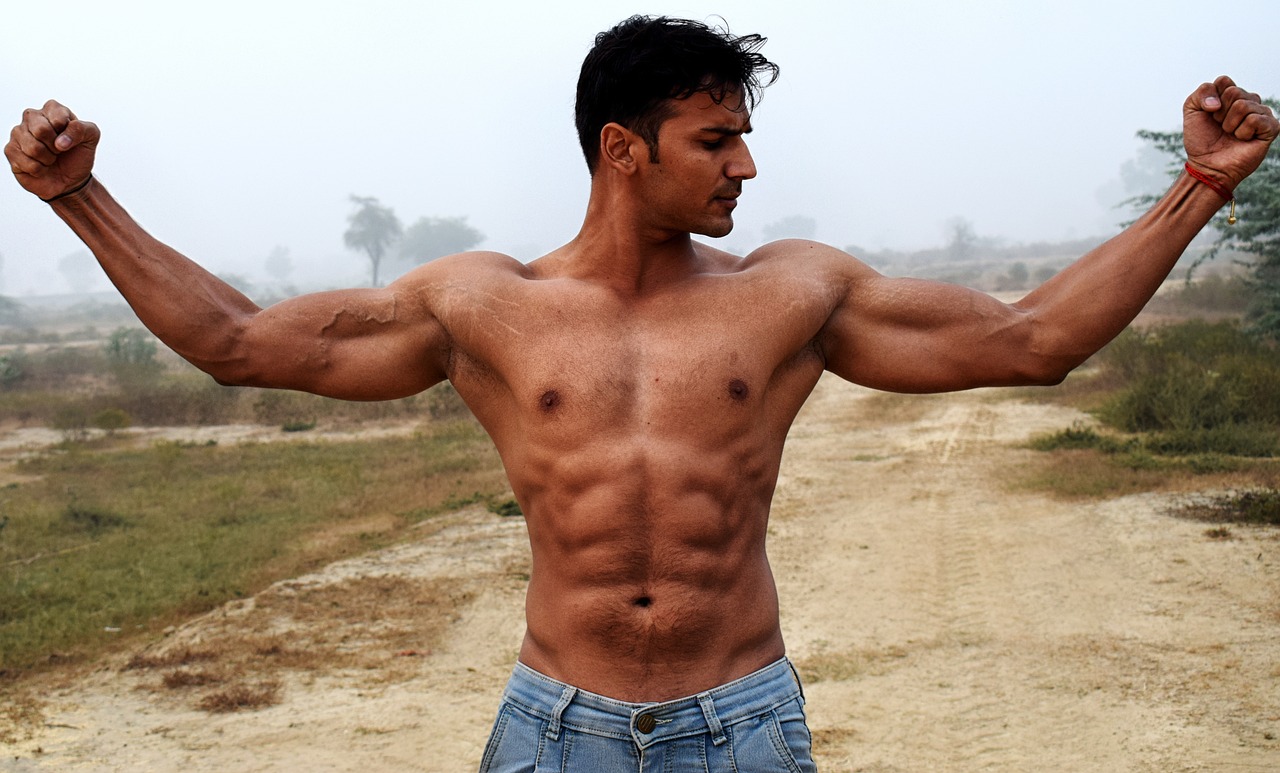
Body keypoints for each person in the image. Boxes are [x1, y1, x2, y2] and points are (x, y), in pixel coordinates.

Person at [7, 14, 1277, 773]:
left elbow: (1033, 338)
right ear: (623, 150)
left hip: (741, 720)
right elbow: (236, 342)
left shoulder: (790, 292)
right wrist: (79, 198)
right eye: (714, 139)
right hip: (554, 724)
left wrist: (1202, 186)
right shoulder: (480, 303)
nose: (745, 165)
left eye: (743, 135)